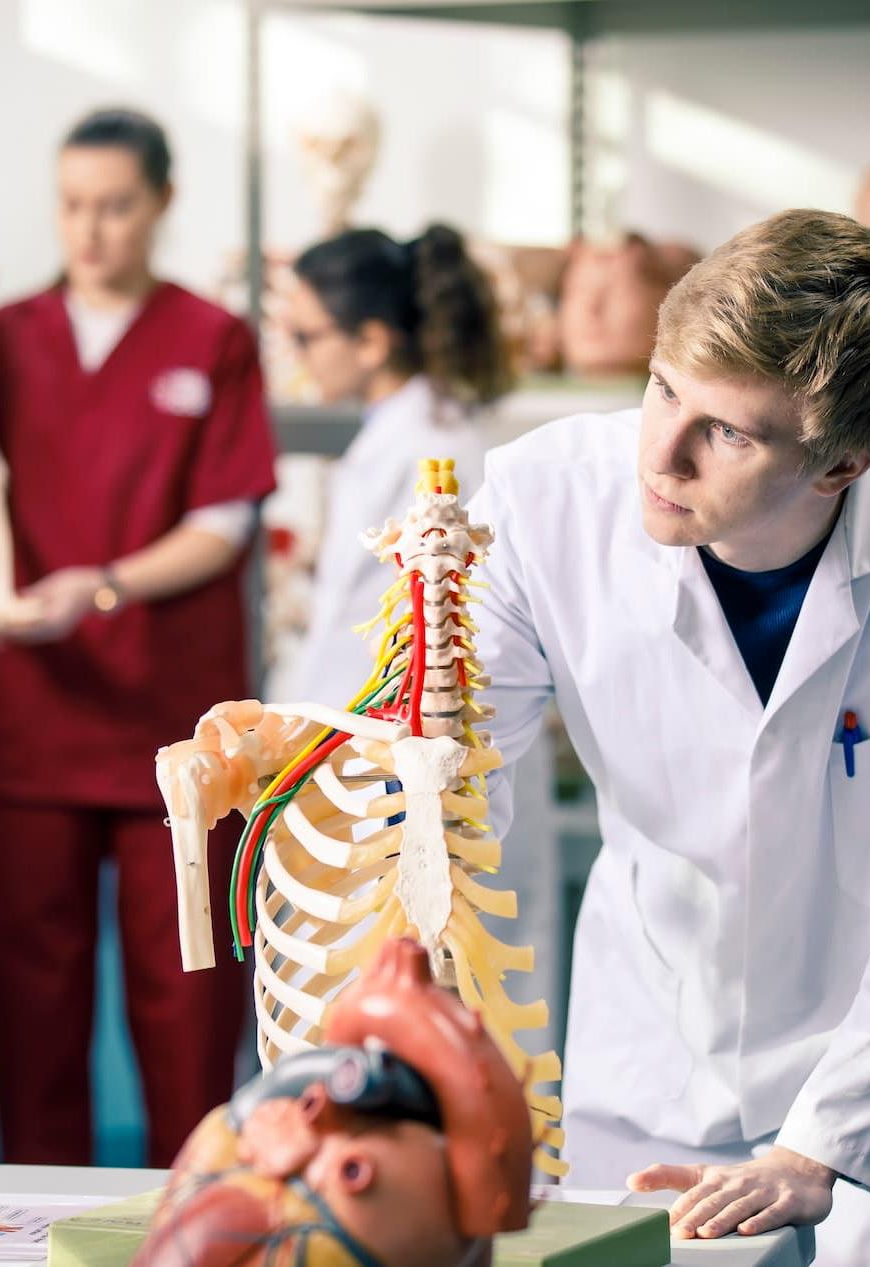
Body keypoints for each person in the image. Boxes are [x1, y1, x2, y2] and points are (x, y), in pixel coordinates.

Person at [468, 208, 870, 1264]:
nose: (661, 456)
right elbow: (446, 789)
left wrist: (823, 1146)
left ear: (843, 465)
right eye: (661, 389)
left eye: (727, 433)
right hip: (653, 1038)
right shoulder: (541, 499)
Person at [0, 108, 277, 1166]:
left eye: (116, 206)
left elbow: (223, 525)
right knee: (30, 1011)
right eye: (72, 205)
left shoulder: (211, 340)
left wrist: (97, 587)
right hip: (26, 726)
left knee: (188, 1007)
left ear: (162, 203)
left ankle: (199, 1212)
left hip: (169, 731)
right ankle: (34, 1227)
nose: (89, 230)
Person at [282, 224, 563, 1049]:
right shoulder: (415, 432)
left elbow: (371, 640)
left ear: (370, 342)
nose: (297, 359)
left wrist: (287, 738)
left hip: (420, 766)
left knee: (443, 1018)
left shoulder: (425, 447)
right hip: (405, 759)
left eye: (306, 337)